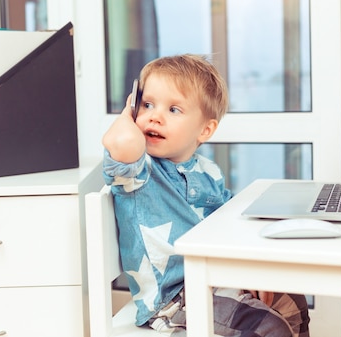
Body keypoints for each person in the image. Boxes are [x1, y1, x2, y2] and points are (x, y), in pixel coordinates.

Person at [102, 54, 310, 337]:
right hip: (174, 300)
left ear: (205, 130)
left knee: (292, 302)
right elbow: (120, 141)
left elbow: (229, 224)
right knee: (268, 327)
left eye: (173, 109)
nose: (154, 115)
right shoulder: (139, 172)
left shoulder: (207, 171)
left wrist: (247, 267)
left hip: (213, 279)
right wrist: (128, 113)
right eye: (146, 104)